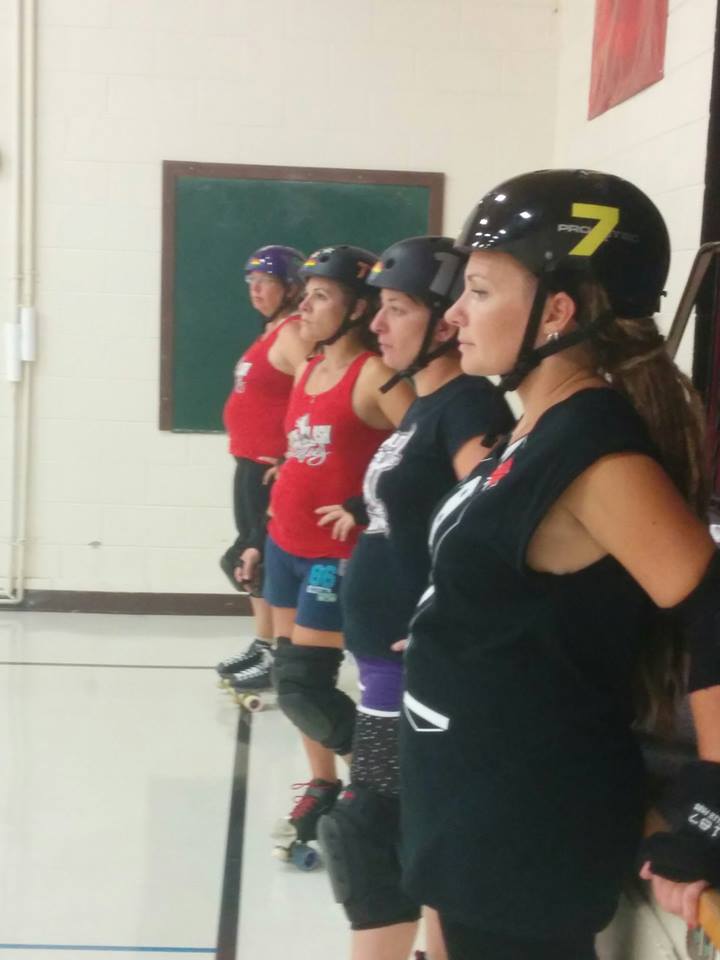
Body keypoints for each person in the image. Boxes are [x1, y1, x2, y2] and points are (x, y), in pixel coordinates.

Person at [398, 169, 720, 960]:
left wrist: (710, 803)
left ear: (558, 310)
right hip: (471, 807)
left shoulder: (593, 451)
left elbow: (716, 611)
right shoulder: (538, 428)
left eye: (479, 291)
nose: (455, 312)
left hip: (524, 829)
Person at [315, 236, 514, 960]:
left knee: (371, 835)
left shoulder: (467, 405)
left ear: (444, 321)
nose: (377, 323)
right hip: (386, 665)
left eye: (397, 308)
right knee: (396, 831)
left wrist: (451, 617)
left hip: (413, 672)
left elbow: (495, 525)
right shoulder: (426, 405)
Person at [234, 244, 414, 838]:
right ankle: (323, 783)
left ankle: (381, 784)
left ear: (358, 308)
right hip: (284, 542)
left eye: (320, 297)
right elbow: (298, 452)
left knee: (302, 687)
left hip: (334, 556)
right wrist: (258, 534)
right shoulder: (309, 367)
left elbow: (425, 452)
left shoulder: (375, 375)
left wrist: (363, 505)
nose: (305, 307)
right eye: (305, 294)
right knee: (296, 684)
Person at [216, 244, 309, 685]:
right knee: (248, 560)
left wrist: (294, 454)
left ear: (290, 288)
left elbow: (315, 387)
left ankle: (276, 652)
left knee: (259, 560)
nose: (255, 290)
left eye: (265, 281)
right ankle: (264, 643)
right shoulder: (271, 332)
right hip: (250, 462)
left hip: (271, 467)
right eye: (251, 282)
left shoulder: (291, 333)